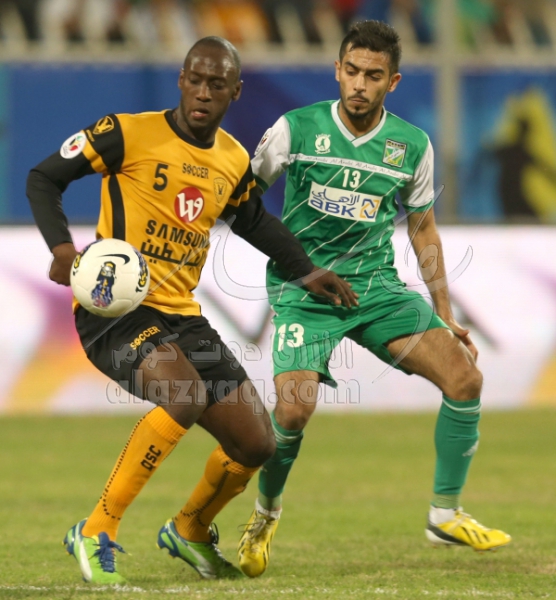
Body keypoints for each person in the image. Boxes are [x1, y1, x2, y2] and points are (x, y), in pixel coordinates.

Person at [26, 36, 357, 585]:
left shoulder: (231, 158)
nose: (204, 93)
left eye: (216, 84)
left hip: (182, 316)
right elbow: (44, 178)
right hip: (116, 310)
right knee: (183, 395)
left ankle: (191, 528)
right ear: (181, 80)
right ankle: (96, 529)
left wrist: (305, 268)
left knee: (256, 443)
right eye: (196, 80)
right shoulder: (125, 133)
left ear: (235, 91)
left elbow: (253, 220)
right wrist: (62, 248)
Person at [237, 20, 511, 578]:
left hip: (376, 289)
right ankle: (265, 515)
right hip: (304, 290)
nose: (360, 84)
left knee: (465, 378)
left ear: (394, 81)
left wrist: (444, 314)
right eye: (352, 71)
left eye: (374, 76)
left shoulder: (412, 145)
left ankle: (445, 514)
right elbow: (243, 202)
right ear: (337, 70)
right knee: (293, 409)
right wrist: (296, 265)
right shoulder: (295, 129)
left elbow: (423, 230)